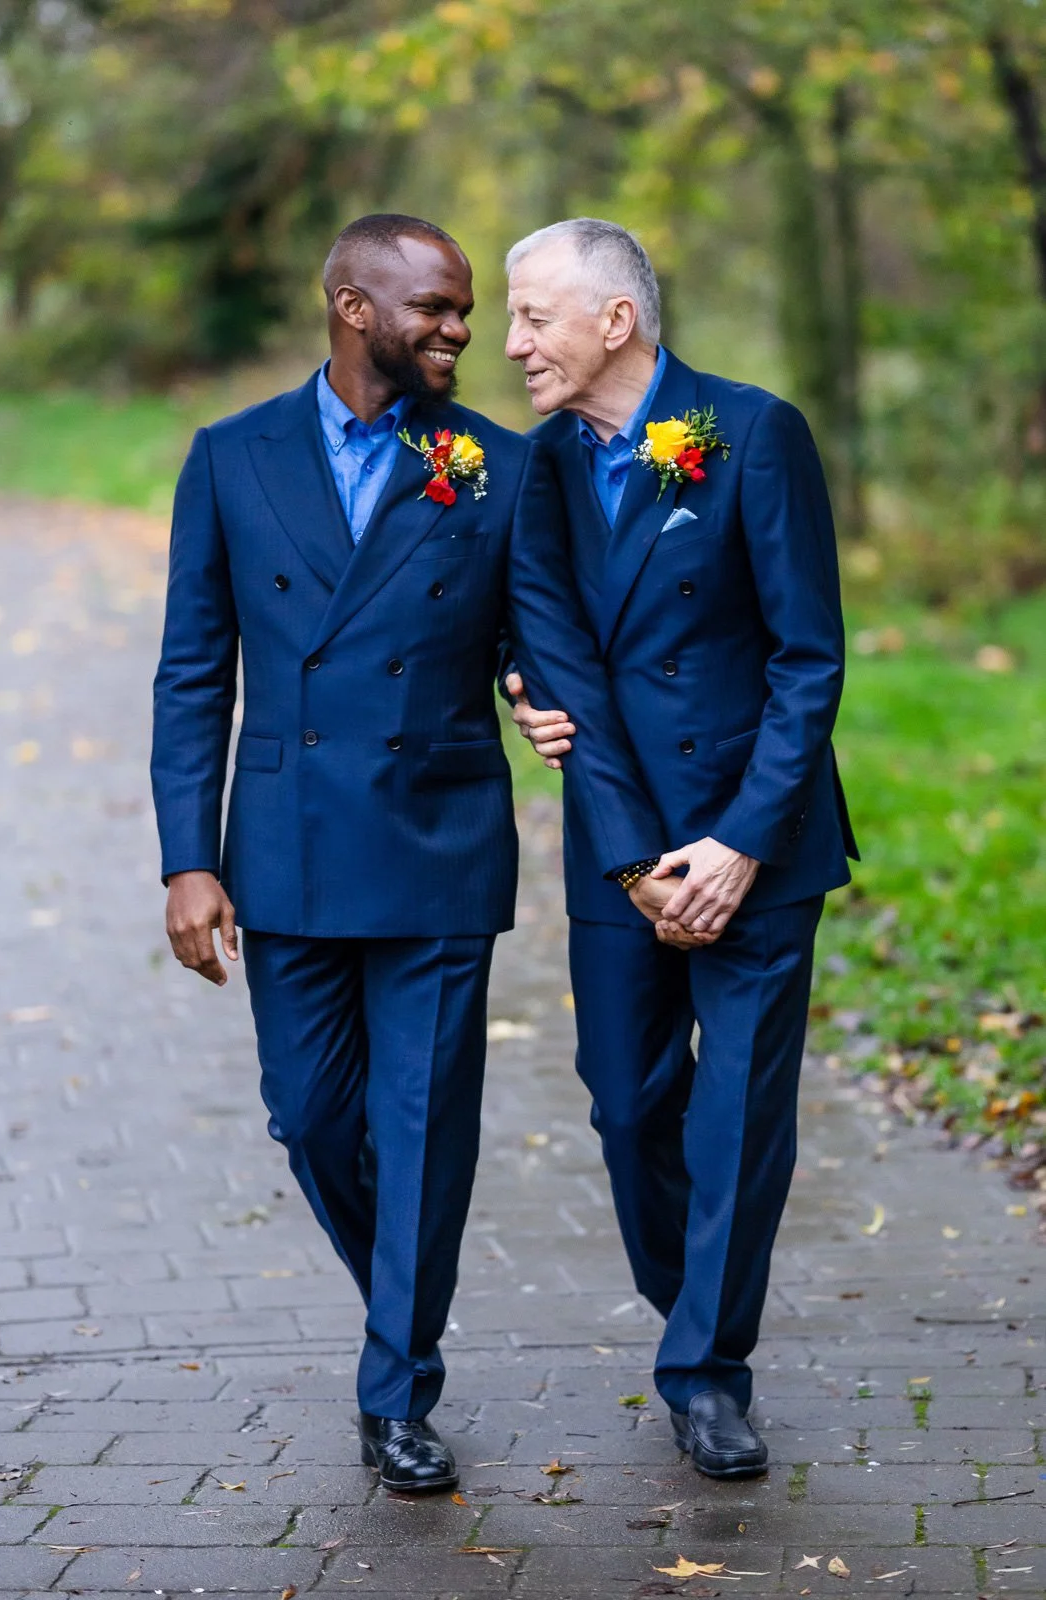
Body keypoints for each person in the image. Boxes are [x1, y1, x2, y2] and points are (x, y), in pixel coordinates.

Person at [150, 214, 665, 1494]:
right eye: (431, 306)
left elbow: (532, 629)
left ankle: (398, 1386)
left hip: (435, 836)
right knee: (311, 1117)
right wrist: (185, 858)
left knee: (425, 1124)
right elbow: (190, 673)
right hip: (284, 845)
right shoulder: (229, 457)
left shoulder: (493, 464)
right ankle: (406, 1280)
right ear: (349, 304)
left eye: (464, 308)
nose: (460, 327)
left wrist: (531, 689)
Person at [504, 218, 858, 1479]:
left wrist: (737, 846)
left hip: (760, 844)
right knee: (625, 1105)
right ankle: (690, 1305)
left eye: (533, 316)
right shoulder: (528, 470)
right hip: (618, 849)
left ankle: (705, 1370)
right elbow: (550, 659)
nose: (510, 343)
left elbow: (805, 657)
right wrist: (639, 860)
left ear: (616, 320)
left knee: (737, 1117)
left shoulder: (751, 433)